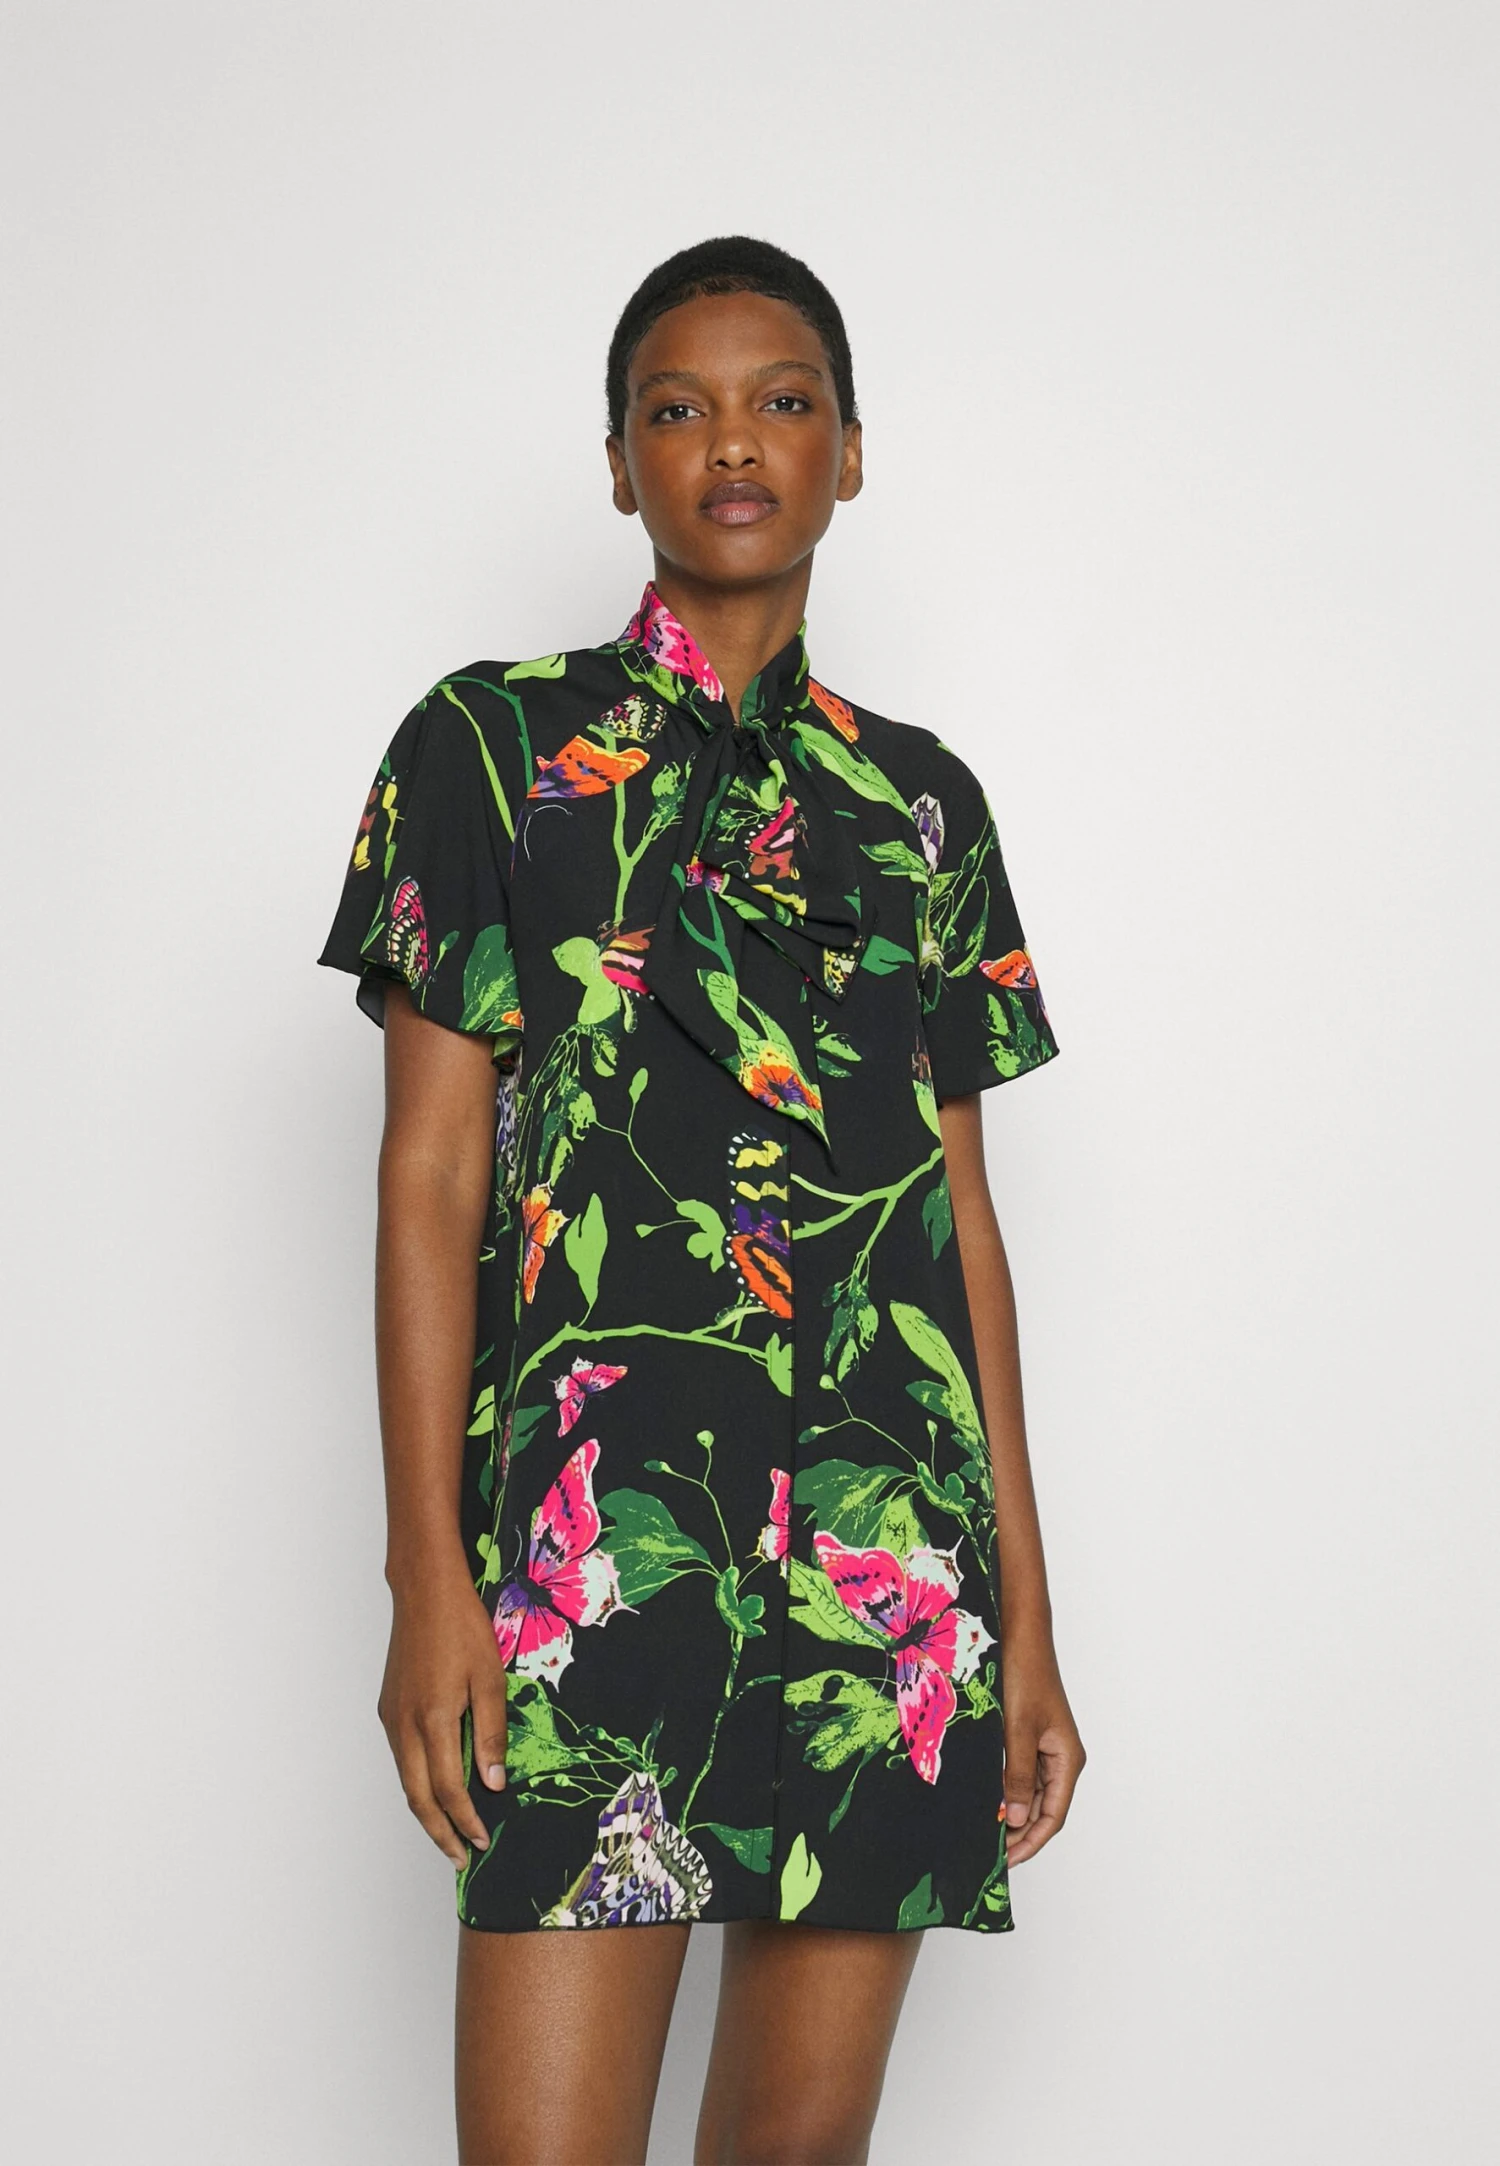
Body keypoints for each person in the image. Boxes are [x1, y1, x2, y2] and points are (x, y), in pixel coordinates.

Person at [319, 235, 1085, 2166]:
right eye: (679, 408)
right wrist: (429, 1582)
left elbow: (962, 1229)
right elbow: (430, 1174)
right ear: (619, 464)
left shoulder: (925, 805)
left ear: (850, 454)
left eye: (782, 403)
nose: (733, 442)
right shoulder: (488, 749)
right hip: (598, 1574)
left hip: (887, 1577)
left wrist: (1026, 1618)